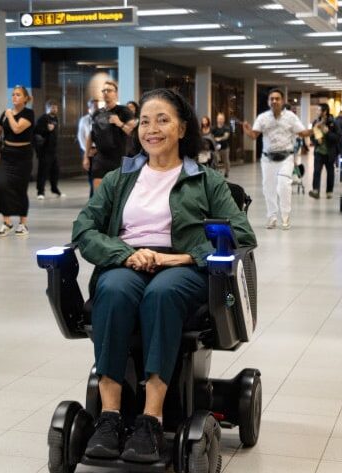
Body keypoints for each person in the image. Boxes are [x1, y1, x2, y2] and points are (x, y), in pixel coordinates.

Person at [73, 88, 256, 464]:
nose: (151, 129)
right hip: (128, 260)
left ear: (182, 127)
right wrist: (126, 254)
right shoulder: (118, 178)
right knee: (112, 290)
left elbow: (242, 235)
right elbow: (84, 229)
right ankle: (109, 417)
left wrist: (184, 257)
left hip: (184, 267)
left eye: (162, 120)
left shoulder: (206, 180)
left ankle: (151, 419)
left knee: (162, 294)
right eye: (144, 121)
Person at [243, 88, 311, 230]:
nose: (274, 101)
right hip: (268, 159)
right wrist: (247, 130)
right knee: (269, 188)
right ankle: (272, 217)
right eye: (271, 99)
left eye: (277, 99)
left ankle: (285, 217)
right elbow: (254, 135)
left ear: (282, 101)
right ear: (269, 102)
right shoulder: (262, 118)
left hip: (286, 157)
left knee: (283, 185)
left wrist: (317, 129)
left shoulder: (291, 117)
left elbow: (303, 132)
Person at [0, 85, 34, 237]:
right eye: (13, 94)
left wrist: (9, 115)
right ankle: (7, 221)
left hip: (23, 155)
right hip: (7, 153)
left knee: (20, 188)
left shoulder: (28, 114)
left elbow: (17, 129)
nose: (14, 97)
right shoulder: (5, 114)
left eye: (18, 95)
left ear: (25, 98)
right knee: (1, 185)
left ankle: (23, 223)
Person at [82, 80, 135, 190]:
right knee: (98, 191)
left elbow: (132, 131)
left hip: (118, 157)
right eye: (104, 90)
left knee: (115, 192)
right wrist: (86, 156)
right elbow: (91, 136)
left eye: (109, 90)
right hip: (100, 157)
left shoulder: (124, 111)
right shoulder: (97, 113)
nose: (106, 93)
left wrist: (119, 123)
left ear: (116, 93)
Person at [308, 103, 340, 200]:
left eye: (318, 110)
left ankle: (329, 191)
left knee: (330, 172)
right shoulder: (315, 122)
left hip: (330, 152)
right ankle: (315, 190)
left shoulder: (333, 123)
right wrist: (315, 140)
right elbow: (312, 136)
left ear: (324, 112)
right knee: (317, 171)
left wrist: (327, 132)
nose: (317, 112)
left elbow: (337, 138)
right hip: (318, 151)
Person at [34, 99, 64, 200]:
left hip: (53, 150)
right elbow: (36, 131)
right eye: (52, 107)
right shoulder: (43, 118)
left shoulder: (56, 118)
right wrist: (47, 129)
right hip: (44, 150)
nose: (55, 109)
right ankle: (40, 192)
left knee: (55, 171)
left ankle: (54, 189)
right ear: (48, 108)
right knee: (43, 171)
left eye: (56, 107)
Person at [78, 99, 98, 197]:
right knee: (90, 174)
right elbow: (80, 136)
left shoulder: (101, 119)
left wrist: (97, 149)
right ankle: (92, 195)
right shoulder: (84, 120)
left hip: (98, 150)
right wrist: (87, 150)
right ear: (89, 108)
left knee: (97, 173)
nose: (95, 107)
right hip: (87, 150)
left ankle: (93, 196)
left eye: (97, 106)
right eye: (93, 106)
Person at [212, 112, 231, 178]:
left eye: (221, 119)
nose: (220, 120)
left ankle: (226, 172)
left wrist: (219, 138)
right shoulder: (214, 128)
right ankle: (216, 172)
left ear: (224, 119)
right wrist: (214, 139)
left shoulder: (226, 128)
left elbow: (226, 136)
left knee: (226, 161)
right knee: (215, 160)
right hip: (216, 148)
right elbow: (211, 135)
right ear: (217, 119)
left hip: (224, 147)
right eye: (219, 118)